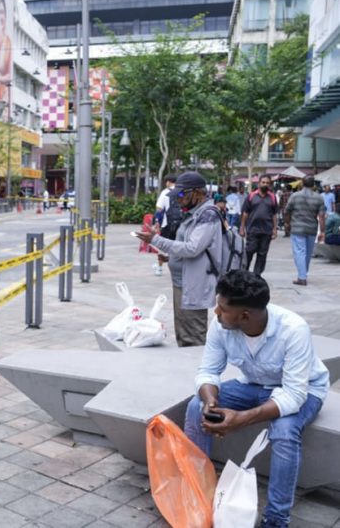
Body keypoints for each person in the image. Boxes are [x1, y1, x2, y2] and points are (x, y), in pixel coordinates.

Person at [184, 270, 329, 528]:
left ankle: (276, 520)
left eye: (222, 308)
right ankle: (196, 495)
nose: (216, 312)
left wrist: (241, 419)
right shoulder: (221, 325)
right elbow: (208, 372)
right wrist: (210, 403)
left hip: (304, 389)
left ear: (245, 316)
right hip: (253, 385)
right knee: (196, 406)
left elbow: (295, 395)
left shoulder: (293, 329)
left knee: (284, 431)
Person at [136, 171, 222, 347]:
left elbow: (192, 248)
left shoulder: (208, 215)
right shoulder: (194, 213)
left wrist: (156, 240)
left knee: (193, 336)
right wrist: (170, 256)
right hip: (182, 281)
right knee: (183, 334)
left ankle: (196, 371)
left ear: (198, 193)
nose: (179, 199)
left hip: (194, 283)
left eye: (182, 195)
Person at [284, 176, 326, 286]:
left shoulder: (295, 196)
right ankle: (303, 274)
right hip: (311, 228)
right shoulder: (319, 198)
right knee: (307, 253)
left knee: (299, 252)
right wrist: (322, 231)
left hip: (297, 228)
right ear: (313, 185)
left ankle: (302, 277)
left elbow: (287, 211)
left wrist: (287, 223)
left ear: (302, 183)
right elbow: (322, 217)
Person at [240, 175, 278, 276]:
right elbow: (245, 213)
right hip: (252, 229)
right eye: (263, 182)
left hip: (266, 230)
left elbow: (274, 214)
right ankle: (244, 274)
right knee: (249, 251)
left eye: (267, 183)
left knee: (262, 254)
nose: (265, 184)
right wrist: (242, 228)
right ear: (259, 183)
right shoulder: (251, 196)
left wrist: (275, 229)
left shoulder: (273, 197)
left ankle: (257, 275)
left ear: (270, 184)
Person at [152, 174, 178, 276]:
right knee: (178, 246)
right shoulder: (182, 192)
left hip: (168, 224)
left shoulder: (166, 192)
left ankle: (159, 268)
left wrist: (156, 221)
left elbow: (159, 208)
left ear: (168, 182)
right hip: (181, 225)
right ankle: (178, 269)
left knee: (162, 246)